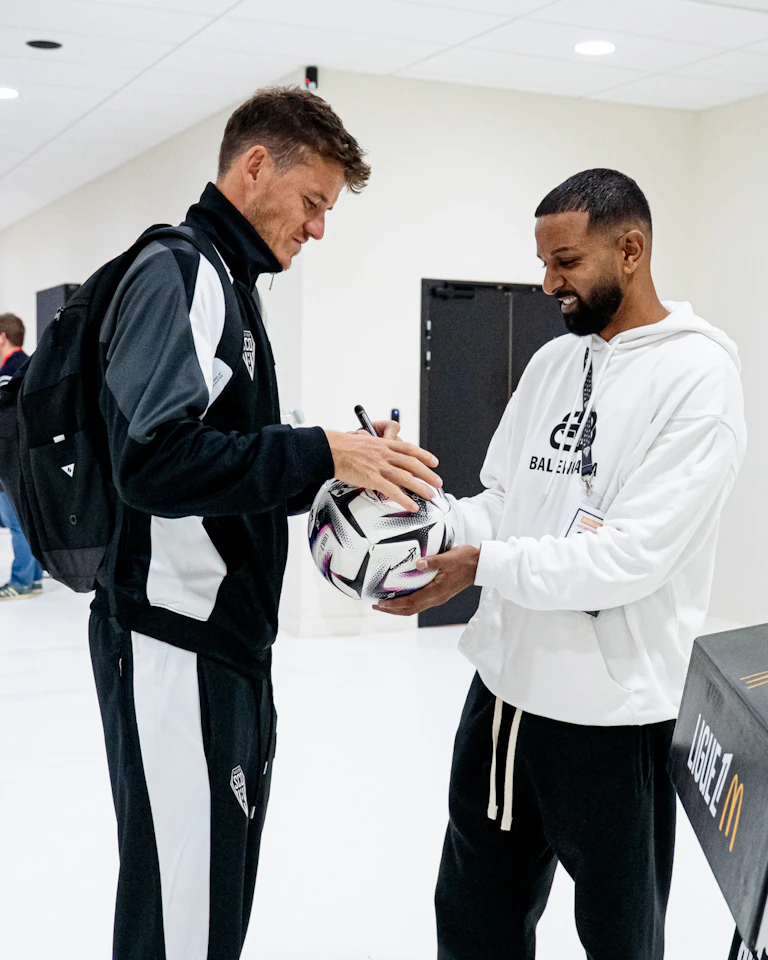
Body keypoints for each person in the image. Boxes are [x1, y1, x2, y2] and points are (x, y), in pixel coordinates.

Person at [90, 86, 442, 960]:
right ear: (255, 167)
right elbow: (153, 464)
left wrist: (343, 457)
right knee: (181, 914)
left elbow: (227, 456)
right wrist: (320, 453)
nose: (319, 228)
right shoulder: (183, 273)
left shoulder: (230, 284)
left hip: (227, 650)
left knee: (209, 904)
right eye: (314, 202)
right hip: (175, 648)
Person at [374, 169, 746, 960]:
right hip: (506, 701)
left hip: (613, 722)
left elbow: (631, 557)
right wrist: (418, 524)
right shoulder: (552, 365)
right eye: (543, 262)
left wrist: (483, 566)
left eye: (567, 261)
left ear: (632, 250)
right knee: (475, 920)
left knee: (620, 939)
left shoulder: (699, 380)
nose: (548, 283)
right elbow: (501, 501)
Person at [0, 312, 43, 600]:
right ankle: (35, 578)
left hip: (8, 461)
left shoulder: (8, 372)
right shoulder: (29, 364)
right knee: (23, 522)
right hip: (21, 460)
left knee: (17, 523)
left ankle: (22, 581)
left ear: (2, 337)